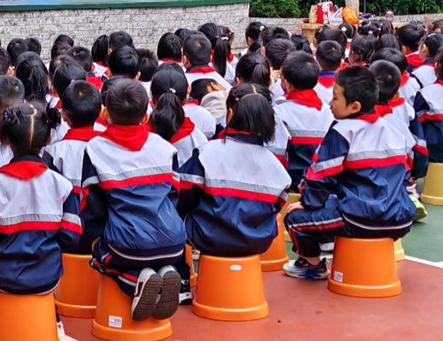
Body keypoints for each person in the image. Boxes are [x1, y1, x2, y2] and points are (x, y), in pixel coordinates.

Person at [0, 102, 81, 341]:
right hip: (47, 275)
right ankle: (53, 322)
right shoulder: (62, 185)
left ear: (5, 140)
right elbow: (71, 235)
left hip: (2, 274)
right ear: (47, 141)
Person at [283, 67, 417, 280]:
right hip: (401, 219)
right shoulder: (393, 129)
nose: (330, 103)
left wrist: (308, 203)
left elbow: (320, 176)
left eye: (335, 98)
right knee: (336, 202)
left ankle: (311, 264)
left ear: (354, 106)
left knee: (294, 218)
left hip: (359, 219)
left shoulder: (342, 132)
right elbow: (408, 169)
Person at [80, 79, 184, 321]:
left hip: (126, 248)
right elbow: (174, 194)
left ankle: (134, 279)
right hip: (175, 242)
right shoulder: (164, 147)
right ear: (146, 116)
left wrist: (95, 237)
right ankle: (163, 271)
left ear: (104, 113)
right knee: (146, 243)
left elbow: (92, 206)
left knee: (98, 253)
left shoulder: (96, 148)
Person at [176, 91, 290, 259]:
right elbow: (276, 207)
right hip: (258, 241)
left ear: (230, 115)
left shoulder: (207, 152)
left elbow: (182, 194)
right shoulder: (277, 167)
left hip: (207, 238)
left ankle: (181, 275)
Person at [273, 52, 333, 190]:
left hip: (290, 186)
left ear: (287, 84)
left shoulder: (279, 113)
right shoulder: (329, 113)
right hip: (321, 187)